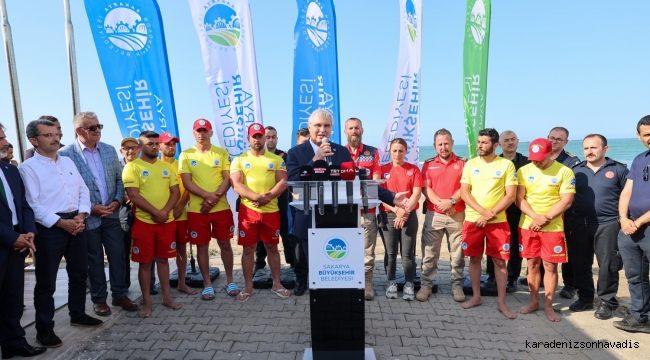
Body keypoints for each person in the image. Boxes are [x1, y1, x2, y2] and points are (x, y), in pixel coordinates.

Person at [286, 109, 409, 296]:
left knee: (335, 268)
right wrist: (316, 159)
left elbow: (357, 181)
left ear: (331, 129)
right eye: (318, 125)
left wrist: (390, 197)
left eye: (326, 126)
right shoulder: (295, 153)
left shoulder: (341, 151)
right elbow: (294, 183)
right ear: (309, 127)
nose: (322, 130)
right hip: (308, 218)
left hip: (338, 219)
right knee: (315, 268)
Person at [19, 119, 102, 348]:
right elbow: (32, 204)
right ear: (34, 141)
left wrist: (82, 215)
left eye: (56, 133)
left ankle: (77, 314)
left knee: (79, 274)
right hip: (49, 230)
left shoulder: (67, 161)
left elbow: (83, 190)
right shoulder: (28, 168)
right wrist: (60, 223)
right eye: (48, 135)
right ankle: (44, 329)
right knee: (47, 281)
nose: (55, 138)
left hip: (76, 222)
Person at [59, 112, 137, 316]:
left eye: (99, 126)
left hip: (111, 213)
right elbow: (68, 187)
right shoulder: (66, 154)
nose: (97, 130)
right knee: (94, 260)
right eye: (92, 127)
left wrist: (116, 201)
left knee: (117, 256)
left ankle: (120, 294)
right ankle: (99, 299)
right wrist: (90, 207)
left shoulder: (110, 150)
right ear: (79, 130)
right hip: (87, 216)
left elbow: (120, 181)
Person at [459, 128, 517, 319]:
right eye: (479, 142)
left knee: (500, 261)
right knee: (474, 258)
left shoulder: (507, 165)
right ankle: (476, 297)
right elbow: (465, 192)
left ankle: (502, 302)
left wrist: (490, 214)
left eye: (484, 143)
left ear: (495, 145)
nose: (480, 146)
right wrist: (483, 213)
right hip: (473, 220)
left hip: (497, 221)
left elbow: (510, 196)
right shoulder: (470, 164)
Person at [0, 123, 46, 359]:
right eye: (0, 138)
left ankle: (13, 344)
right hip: (6, 240)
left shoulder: (9, 170)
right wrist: (12, 238)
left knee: (13, 299)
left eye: (5, 137)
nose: (5, 142)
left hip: (19, 242)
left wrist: (29, 232)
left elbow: (24, 205)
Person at [123, 131, 181, 317]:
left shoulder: (166, 167)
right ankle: (147, 302)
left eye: (156, 143)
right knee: (146, 264)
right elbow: (133, 195)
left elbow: (175, 192)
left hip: (166, 222)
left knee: (163, 261)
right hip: (144, 222)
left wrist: (164, 212)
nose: (154, 147)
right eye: (150, 144)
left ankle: (167, 297)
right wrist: (156, 212)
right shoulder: (133, 167)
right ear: (140, 147)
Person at [516, 138, 575, 322]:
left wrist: (545, 218)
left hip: (553, 227)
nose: (536, 162)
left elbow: (566, 201)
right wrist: (535, 217)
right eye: (533, 158)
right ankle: (534, 302)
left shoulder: (565, 171)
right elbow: (519, 198)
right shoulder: (524, 170)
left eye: (540, 158)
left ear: (551, 153)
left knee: (550, 266)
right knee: (532, 264)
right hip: (528, 225)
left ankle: (549, 306)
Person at [569, 134, 628, 319]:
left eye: (594, 147)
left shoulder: (619, 169)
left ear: (605, 149)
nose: (589, 151)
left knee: (607, 265)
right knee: (580, 263)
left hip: (608, 224)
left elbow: (628, 197)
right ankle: (585, 297)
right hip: (580, 224)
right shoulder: (576, 170)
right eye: (586, 148)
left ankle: (607, 302)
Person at [231, 123, 291, 302]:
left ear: (265, 138)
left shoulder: (276, 159)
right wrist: (256, 197)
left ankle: (277, 283)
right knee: (248, 249)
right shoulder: (239, 159)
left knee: (272, 247)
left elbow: (283, 182)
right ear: (249, 138)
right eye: (254, 136)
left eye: (260, 136)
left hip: (271, 210)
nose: (257, 139)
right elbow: (237, 184)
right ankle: (248, 286)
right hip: (248, 212)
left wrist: (269, 196)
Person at [179, 119, 237, 300]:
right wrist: (207, 196)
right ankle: (207, 284)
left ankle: (230, 280)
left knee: (225, 244)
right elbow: (187, 182)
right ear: (193, 132)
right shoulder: (186, 154)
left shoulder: (221, 153)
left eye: (205, 130)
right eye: (198, 130)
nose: (201, 134)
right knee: (202, 246)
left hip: (220, 208)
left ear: (211, 132)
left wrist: (214, 197)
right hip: (197, 210)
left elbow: (228, 179)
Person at [418, 129, 466, 302]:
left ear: (452, 143)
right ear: (434, 146)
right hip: (434, 214)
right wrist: (443, 205)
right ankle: (426, 285)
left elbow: (466, 187)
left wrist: (451, 201)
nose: (443, 147)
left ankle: (457, 286)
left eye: (446, 143)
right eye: (440, 144)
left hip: (457, 214)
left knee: (458, 253)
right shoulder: (429, 164)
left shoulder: (463, 163)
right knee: (429, 252)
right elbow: (426, 188)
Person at [614, 115, 650, 333]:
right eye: (647, 134)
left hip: (642, 226)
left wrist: (637, 221)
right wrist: (623, 218)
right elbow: (627, 191)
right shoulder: (639, 159)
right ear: (639, 136)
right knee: (635, 276)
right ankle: (640, 317)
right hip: (630, 228)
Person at [485, 130, 529, 293]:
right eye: (506, 140)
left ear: (517, 141)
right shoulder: (493, 162)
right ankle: (491, 275)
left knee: (515, 246)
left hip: (519, 211)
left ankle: (512, 278)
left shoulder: (527, 162)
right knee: (494, 244)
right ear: (499, 144)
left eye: (513, 139)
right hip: (496, 211)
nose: (510, 142)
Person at [344, 118, 382, 300]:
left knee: (368, 250)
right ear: (345, 131)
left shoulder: (372, 152)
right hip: (344, 211)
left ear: (362, 130)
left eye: (357, 128)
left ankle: (367, 282)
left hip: (367, 210)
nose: (354, 131)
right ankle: (350, 280)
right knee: (347, 248)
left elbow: (375, 181)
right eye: (351, 128)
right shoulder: (338, 153)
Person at [379, 138, 422, 301]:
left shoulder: (414, 169)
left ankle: (409, 284)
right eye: (394, 150)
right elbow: (380, 195)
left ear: (406, 151)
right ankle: (391, 282)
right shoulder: (383, 170)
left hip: (409, 215)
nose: (397, 154)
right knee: (390, 253)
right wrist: (396, 210)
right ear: (390, 151)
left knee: (408, 253)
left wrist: (405, 212)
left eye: (401, 150)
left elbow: (417, 193)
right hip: (388, 215)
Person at [159, 132, 196, 295]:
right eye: (167, 144)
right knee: (162, 253)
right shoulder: (155, 165)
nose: (171, 147)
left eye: (173, 144)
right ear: (159, 146)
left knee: (182, 250)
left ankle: (182, 283)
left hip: (180, 215)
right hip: (162, 217)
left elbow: (188, 187)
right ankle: (164, 288)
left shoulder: (180, 165)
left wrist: (180, 206)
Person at [253, 125, 294, 273]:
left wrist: (271, 195)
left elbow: (287, 179)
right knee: (260, 236)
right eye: (268, 137)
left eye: (273, 137)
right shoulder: (256, 156)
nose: (270, 140)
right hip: (260, 202)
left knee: (285, 233)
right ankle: (259, 264)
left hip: (281, 201)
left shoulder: (284, 156)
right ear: (263, 138)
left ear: (277, 138)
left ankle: (292, 263)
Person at [546, 127, 581, 299]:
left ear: (565, 142)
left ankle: (569, 285)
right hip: (542, 213)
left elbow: (573, 191)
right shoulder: (540, 157)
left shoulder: (571, 161)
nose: (554, 141)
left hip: (565, 213)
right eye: (552, 137)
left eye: (559, 139)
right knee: (541, 249)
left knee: (567, 249)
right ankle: (539, 280)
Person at [118, 137, 139, 290]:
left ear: (139, 149)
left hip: (144, 212)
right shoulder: (115, 166)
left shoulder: (145, 166)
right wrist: (124, 197)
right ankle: (124, 285)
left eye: (133, 147)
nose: (130, 151)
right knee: (123, 251)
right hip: (123, 212)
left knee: (147, 250)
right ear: (121, 151)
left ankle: (150, 283)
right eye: (126, 148)